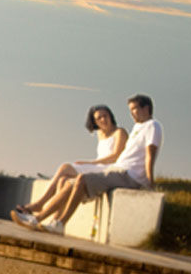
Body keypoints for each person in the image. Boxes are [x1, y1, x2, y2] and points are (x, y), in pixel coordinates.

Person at [18, 95, 162, 234]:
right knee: (69, 183)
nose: (132, 113)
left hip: (128, 174)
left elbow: (150, 153)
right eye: (131, 109)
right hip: (118, 170)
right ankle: (39, 219)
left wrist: (149, 181)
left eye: (135, 109)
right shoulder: (138, 127)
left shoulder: (153, 126)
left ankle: (56, 223)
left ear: (146, 108)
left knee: (81, 179)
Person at [13, 104, 128, 218]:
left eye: (105, 116)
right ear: (95, 122)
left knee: (65, 167)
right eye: (99, 118)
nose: (103, 119)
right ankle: (55, 221)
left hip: (109, 168)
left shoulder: (120, 132)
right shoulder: (100, 134)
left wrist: (89, 163)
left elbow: (115, 156)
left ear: (111, 116)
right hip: (98, 165)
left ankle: (40, 204)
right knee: (63, 180)